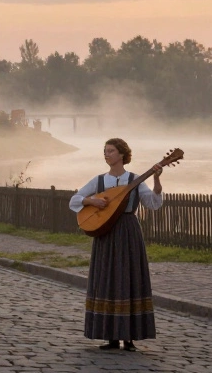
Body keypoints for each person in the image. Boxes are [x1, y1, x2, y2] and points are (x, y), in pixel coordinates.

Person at [68, 137, 163, 351]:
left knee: (129, 279)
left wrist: (157, 179)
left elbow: (153, 203)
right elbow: (75, 200)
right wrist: (92, 201)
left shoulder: (135, 179)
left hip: (128, 232)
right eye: (105, 151)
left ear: (122, 154)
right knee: (107, 279)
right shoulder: (100, 181)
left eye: (110, 151)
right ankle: (110, 336)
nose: (106, 154)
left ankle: (129, 338)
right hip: (106, 234)